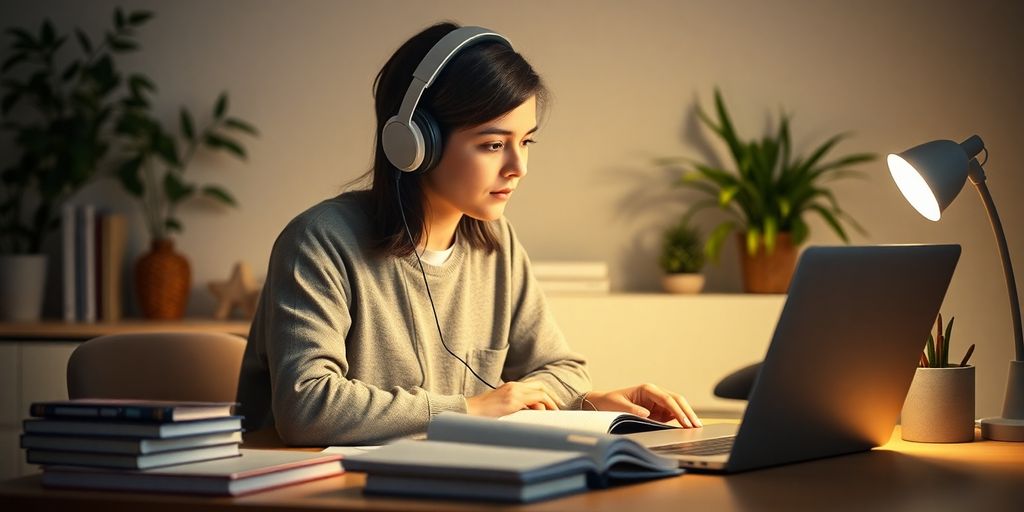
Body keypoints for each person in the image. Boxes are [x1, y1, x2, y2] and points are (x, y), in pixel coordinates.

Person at [237, 22, 702, 446]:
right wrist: (469, 409)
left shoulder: (497, 246)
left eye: (526, 142)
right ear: (415, 143)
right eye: (493, 144)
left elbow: (565, 371)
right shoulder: (318, 242)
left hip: (455, 479)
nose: (518, 168)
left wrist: (584, 405)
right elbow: (307, 407)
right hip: (323, 488)